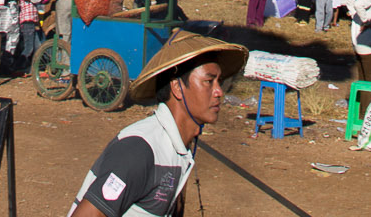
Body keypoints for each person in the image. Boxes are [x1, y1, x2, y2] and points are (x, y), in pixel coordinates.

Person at [67, 31, 246, 217]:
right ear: (177, 87)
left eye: (220, 82)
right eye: (209, 81)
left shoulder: (178, 149)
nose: (218, 92)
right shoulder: (141, 149)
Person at [17, 0, 48, 68]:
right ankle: (18, 66)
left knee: (38, 47)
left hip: (32, 22)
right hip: (27, 22)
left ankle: (34, 68)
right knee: (29, 48)